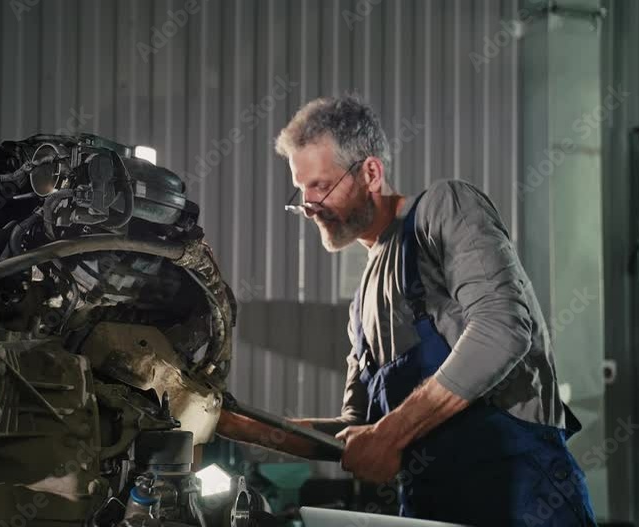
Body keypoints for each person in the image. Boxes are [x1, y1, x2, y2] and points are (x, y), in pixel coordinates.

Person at [215, 95, 596, 526]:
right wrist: (232, 423)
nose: (309, 206)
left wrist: (390, 433)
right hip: (429, 510)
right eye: (301, 191)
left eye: (321, 186)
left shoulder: (442, 210)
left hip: (522, 498)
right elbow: (356, 429)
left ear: (371, 173)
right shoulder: (361, 306)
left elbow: (502, 329)